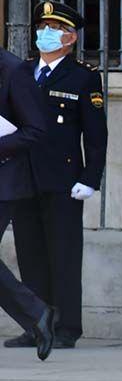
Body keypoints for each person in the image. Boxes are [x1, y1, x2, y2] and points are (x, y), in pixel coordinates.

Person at [8, 0, 107, 350]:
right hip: (24, 175)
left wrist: (90, 178)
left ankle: (67, 326)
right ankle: (37, 323)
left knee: (63, 254)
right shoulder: (23, 71)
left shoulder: (83, 76)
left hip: (64, 179)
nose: (44, 33)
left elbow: (96, 135)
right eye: (42, 26)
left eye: (53, 28)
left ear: (70, 37)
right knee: (30, 252)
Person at [0, 45, 56, 360]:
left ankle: (37, 313)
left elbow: (35, 130)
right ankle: (37, 314)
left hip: (4, 181)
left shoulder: (13, 69)